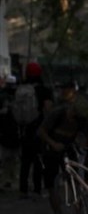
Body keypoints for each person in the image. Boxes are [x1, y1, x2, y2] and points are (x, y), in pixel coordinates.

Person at [36, 81, 88, 214]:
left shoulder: (82, 119)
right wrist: (53, 143)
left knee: (75, 180)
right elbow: (41, 132)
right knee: (51, 183)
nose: (73, 119)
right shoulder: (57, 113)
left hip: (68, 148)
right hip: (51, 149)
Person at [16, 61, 52, 197]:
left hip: (25, 129)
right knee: (38, 160)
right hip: (39, 129)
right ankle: (37, 189)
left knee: (25, 161)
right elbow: (48, 109)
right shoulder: (44, 90)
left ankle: (23, 190)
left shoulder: (21, 89)